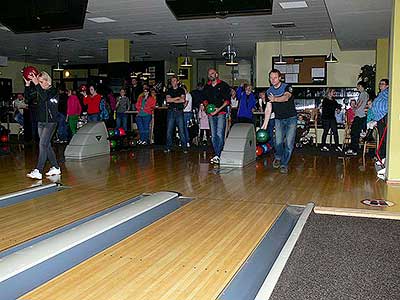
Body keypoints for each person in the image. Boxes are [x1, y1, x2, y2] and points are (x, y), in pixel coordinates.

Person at [24, 71, 61, 180]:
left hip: (51, 122)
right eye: (38, 82)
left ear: (46, 80)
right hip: (41, 121)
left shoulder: (53, 90)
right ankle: (56, 167)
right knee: (46, 145)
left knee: (42, 144)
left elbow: (45, 97)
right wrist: (27, 85)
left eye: (41, 81)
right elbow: (28, 98)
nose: (40, 83)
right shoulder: (39, 89)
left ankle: (38, 170)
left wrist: (36, 84)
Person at [261, 69, 297, 174]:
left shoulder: (287, 87)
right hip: (278, 119)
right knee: (278, 142)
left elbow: (286, 97)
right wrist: (264, 125)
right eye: (271, 77)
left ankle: (284, 164)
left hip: (291, 118)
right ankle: (278, 156)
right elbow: (268, 109)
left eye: (275, 77)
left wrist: (275, 99)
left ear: (280, 78)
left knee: (289, 144)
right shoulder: (268, 91)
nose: (273, 79)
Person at [202, 68, 231, 164]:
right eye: (209, 74)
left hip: (221, 113)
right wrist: (207, 108)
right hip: (211, 114)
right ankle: (218, 154)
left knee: (219, 134)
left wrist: (217, 110)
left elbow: (227, 101)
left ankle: (218, 155)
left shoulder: (224, 85)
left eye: (212, 73)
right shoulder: (207, 87)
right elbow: (205, 100)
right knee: (213, 136)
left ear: (217, 74)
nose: (210, 75)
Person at [165, 76, 187, 152]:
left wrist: (173, 100)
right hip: (171, 111)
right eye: (172, 81)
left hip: (179, 111)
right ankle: (168, 147)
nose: (173, 82)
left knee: (181, 130)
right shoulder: (169, 90)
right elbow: (168, 100)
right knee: (169, 130)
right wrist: (177, 98)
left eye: (174, 80)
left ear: (178, 82)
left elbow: (183, 100)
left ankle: (184, 147)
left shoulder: (181, 90)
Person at [345, 81, 369, 156]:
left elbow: (360, 102)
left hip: (359, 116)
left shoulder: (363, 93)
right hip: (360, 116)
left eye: (358, 86)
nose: (357, 87)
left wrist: (355, 108)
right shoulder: (365, 94)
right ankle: (353, 149)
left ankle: (353, 149)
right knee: (354, 133)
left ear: (361, 86)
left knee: (354, 133)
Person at [371, 78, 389, 160]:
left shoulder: (387, 93)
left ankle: (383, 157)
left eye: (382, 84)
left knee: (383, 138)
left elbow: (387, 104)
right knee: (381, 137)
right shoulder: (381, 94)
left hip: (383, 118)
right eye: (380, 83)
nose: (380, 85)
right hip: (379, 118)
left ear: (387, 85)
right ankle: (381, 156)